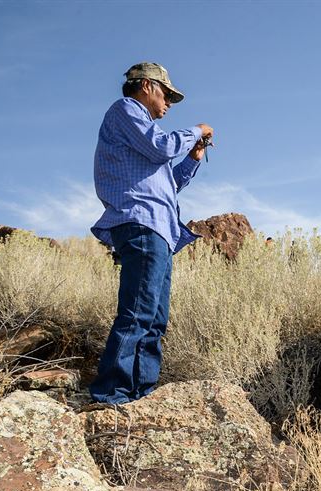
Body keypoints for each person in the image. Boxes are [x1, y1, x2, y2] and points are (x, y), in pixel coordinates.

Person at [89, 62, 214, 404]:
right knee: (138, 313)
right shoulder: (126, 111)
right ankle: (111, 394)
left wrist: (194, 154)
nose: (169, 103)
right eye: (166, 94)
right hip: (142, 226)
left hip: (158, 230)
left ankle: (141, 395)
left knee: (155, 320)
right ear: (146, 85)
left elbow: (168, 186)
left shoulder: (141, 135)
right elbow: (161, 147)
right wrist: (196, 129)